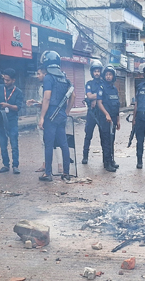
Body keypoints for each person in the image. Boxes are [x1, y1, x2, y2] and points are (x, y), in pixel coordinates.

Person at [38, 50, 75, 182]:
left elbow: (46, 98)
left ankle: (48, 174)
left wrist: (42, 117)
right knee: (64, 144)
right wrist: (67, 112)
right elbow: (73, 96)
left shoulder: (49, 77)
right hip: (61, 115)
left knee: (49, 144)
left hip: (51, 115)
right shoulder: (65, 77)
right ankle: (66, 173)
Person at [96, 66, 120, 172]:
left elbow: (117, 105)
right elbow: (99, 103)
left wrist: (118, 120)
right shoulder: (101, 87)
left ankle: (111, 160)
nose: (108, 76)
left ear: (113, 76)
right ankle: (107, 163)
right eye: (106, 75)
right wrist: (106, 114)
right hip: (105, 119)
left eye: (110, 74)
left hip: (113, 118)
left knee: (111, 140)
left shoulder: (114, 89)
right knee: (106, 141)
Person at [82, 60, 104, 164]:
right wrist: (99, 95)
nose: (97, 73)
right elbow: (89, 96)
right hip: (91, 113)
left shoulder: (104, 83)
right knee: (88, 135)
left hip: (101, 113)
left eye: (98, 71)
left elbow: (106, 95)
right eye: (95, 71)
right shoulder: (89, 84)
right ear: (92, 72)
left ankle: (106, 158)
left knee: (103, 136)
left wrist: (95, 99)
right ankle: (85, 156)